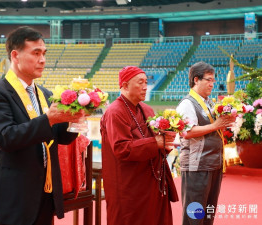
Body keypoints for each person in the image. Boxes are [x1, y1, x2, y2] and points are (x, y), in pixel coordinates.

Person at [0, 26, 84, 225]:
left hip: (45, 193)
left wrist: (74, 120)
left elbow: (59, 136)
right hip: (14, 196)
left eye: (44, 53)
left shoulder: (44, 93)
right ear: (15, 56)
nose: (42, 60)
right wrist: (49, 119)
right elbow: (6, 138)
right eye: (36, 53)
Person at [100, 66, 179, 225]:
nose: (145, 87)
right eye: (140, 82)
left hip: (151, 180)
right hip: (128, 185)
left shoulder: (147, 109)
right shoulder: (115, 112)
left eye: (146, 82)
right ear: (125, 85)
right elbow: (122, 148)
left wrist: (165, 143)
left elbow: (156, 142)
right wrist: (155, 142)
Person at [176, 61, 235, 225]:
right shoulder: (187, 104)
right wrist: (215, 125)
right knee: (194, 215)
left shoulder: (209, 102)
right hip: (197, 166)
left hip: (212, 164)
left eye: (213, 80)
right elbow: (187, 132)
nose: (212, 84)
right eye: (208, 79)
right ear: (196, 80)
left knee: (208, 214)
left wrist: (223, 124)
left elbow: (211, 129)